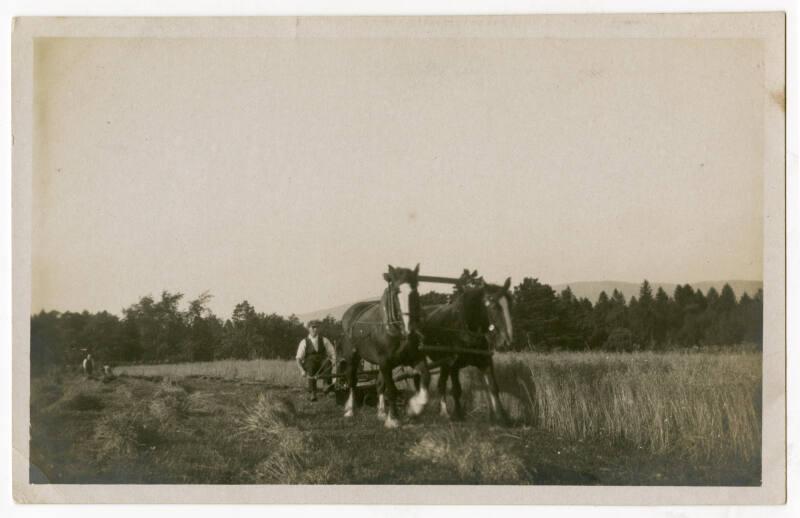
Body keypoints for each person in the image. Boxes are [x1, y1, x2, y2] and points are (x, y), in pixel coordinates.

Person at [296, 321, 336, 401]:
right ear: (308, 329)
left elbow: (332, 352)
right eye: (313, 327)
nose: (315, 329)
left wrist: (334, 359)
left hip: (322, 361)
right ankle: (313, 392)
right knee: (310, 365)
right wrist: (302, 370)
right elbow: (298, 358)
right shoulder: (304, 342)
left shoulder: (324, 340)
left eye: (316, 327)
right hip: (309, 362)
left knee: (327, 362)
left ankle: (326, 386)